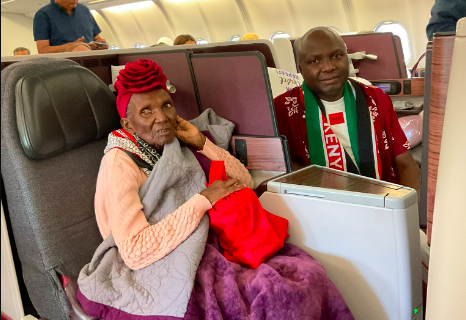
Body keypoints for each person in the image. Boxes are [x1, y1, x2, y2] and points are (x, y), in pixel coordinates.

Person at [76, 59, 354, 319]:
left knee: (309, 273)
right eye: (146, 111)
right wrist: (203, 200)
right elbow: (135, 252)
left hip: (206, 242)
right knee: (272, 294)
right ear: (127, 123)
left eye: (167, 105)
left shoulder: (173, 142)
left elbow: (243, 181)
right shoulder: (120, 163)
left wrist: (201, 143)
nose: (161, 117)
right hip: (155, 260)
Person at [274, 27, 420, 195]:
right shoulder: (283, 109)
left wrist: (408, 211)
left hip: (382, 201)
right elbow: (282, 169)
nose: (328, 67)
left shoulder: (376, 99)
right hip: (318, 206)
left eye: (336, 56)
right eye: (314, 61)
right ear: (301, 69)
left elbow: (406, 165)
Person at [33, 0, 108, 54]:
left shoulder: (84, 10)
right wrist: (71, 46)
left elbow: (97, 38)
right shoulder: (43, 14)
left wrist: (100, 44)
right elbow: (43, 50)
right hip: (64, 66)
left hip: (91, 62)